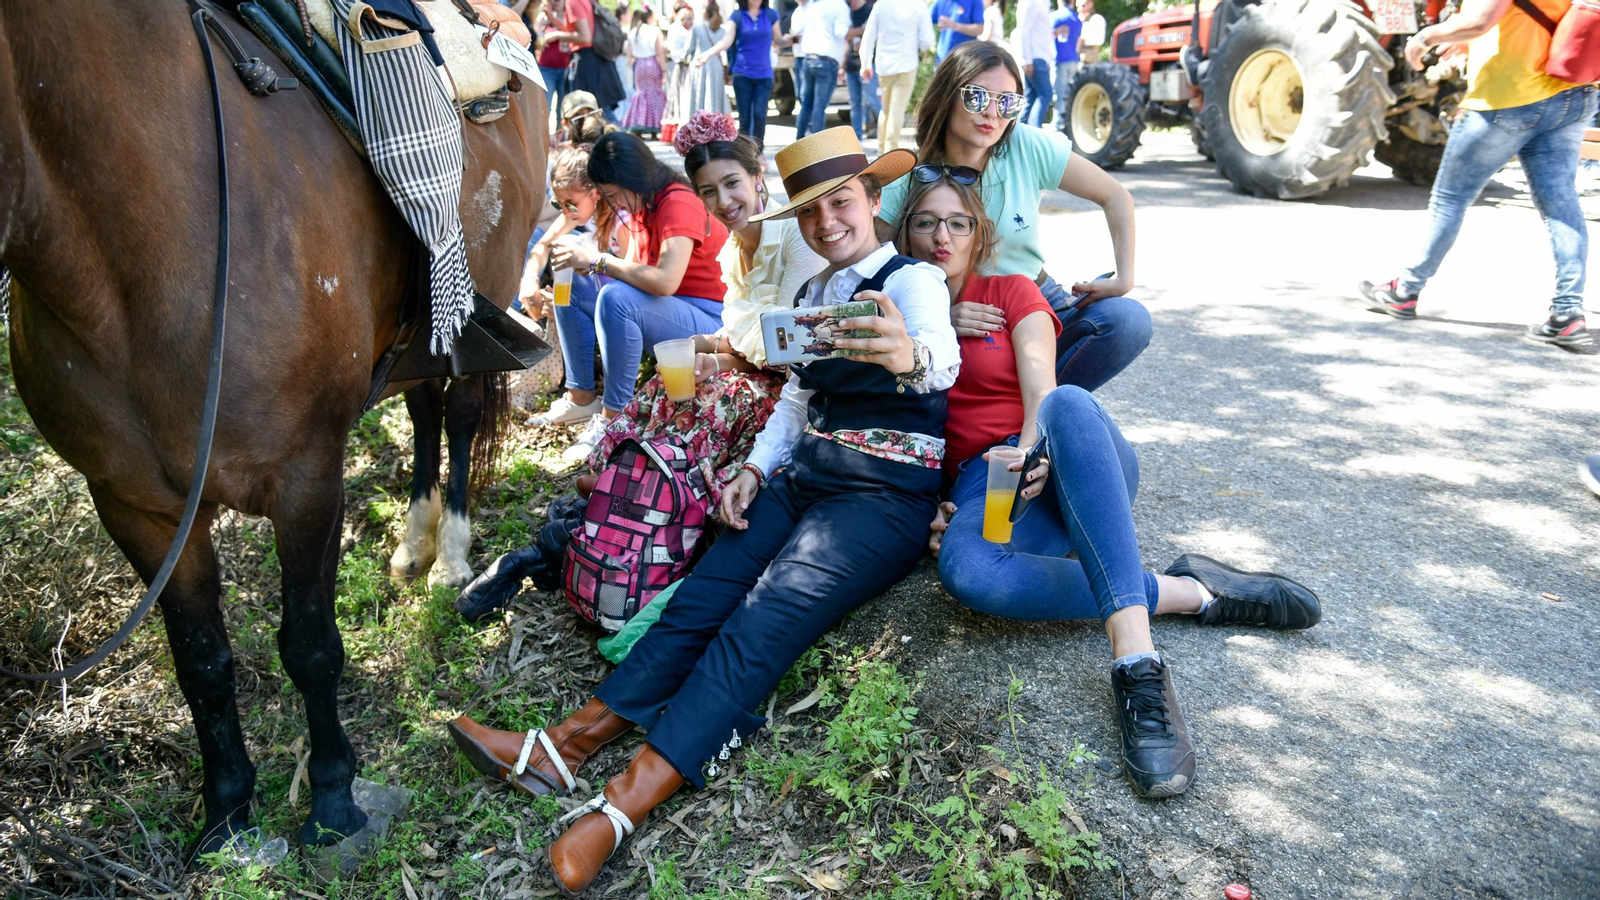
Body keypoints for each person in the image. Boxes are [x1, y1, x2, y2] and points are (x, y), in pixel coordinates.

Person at [447, 127, 957, 896]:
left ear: (873, 197)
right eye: (811, 212)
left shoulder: (912, 282)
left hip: (883, 493)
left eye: (841, 204)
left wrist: (907, 354)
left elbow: (942, 360)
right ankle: (565, 745)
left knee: (763, 621)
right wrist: (753, 469)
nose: (826, 224)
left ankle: (622, 807)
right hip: (807, 475)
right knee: (705, 595)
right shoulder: (812, 296)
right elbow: (798, 399)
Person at [900, 171, 1321, 798]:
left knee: (1068, 402)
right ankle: (1190, 591)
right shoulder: (902, 319)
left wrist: (1032, 449)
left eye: (957, 223)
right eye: (926, 223)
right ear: (905, 235)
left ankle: (1137, 663)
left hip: (1060, 451)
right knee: (972, 574)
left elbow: (1041, 385)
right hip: (984, 483)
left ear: (978, 234)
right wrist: (936, 505)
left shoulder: (1011, 291)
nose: (942, 236)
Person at [876, 40, 1150, 390]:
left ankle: (1041, 409)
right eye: (976, 97)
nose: (992, 113)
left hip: (1037, 301)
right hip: (964, 316)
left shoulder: (1025, 145)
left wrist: (1124, 278)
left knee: (1127, 321)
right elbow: (871, 277)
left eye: (1007, 102)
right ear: (947, 96)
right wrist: (937, 316)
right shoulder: (909, 177)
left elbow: (1115, 196)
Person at [585, 112, 829, 507]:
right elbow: (747, 338)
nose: (724, 202)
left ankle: (659, 491)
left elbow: (786, 349)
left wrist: (718, 355)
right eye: (709, 191)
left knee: (720, 395)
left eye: (732, 183)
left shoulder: (792, 235)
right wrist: (710, 353)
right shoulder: (733, 249)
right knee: (669, 382)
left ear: (757, 175)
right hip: (758, 369)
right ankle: (619, 473)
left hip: (799, 389)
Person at [1359, 0, 1597, 348]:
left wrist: (1425, 38)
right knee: (1561, 204)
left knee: (1450, 199)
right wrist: (1469, 40)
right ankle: (1567, 314)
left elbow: (1480, 20)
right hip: (1571, 94)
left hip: (1509, 98)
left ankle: (1404, 291)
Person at [546, 133, 732, 459]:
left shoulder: (676, 201)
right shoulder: (643, 205)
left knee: (616, 298)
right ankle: (581, 397)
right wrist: (586, 268)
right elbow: (633, 273)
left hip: (711, 321)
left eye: (613, 194)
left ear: (631, 180)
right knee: (575, 284)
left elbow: (665, 282)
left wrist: (598, 261)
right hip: (675, 311)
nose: (614, 203)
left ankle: (614, 419)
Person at [859, 0, 936, 152]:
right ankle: (890, 150)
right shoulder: (918, 5)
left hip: (884, 64)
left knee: (886, 109)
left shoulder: (881, 4)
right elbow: (927, 41)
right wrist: (916, 46)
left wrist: (865, 63)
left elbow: (868, 36)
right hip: (907, 64)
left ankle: (882, 150)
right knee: (897, 110)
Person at [717, 0, 784, 145]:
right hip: (742, 74)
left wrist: (793, 39)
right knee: (745, 118)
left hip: (764, 74)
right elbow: (727, 40)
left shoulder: (770, 14)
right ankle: (744, 151)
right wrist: (708, 54)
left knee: (760, 115)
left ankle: (758, 150)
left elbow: (778, 39)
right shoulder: (737, 16)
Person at [546, 0, 627, 120]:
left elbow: (585, 37)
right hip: (597, 59)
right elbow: (575, 31)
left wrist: (557, 35)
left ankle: (620, 134)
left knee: (596, 115)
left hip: (588, 63)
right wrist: (553, 19)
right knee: (599, 115)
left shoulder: (573, 2)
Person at [790, 0, 850, 139]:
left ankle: (799, 139)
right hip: (826, 61)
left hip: (809, 59)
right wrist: (861, 29)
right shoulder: (840, 6)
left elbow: (797, 30)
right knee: (819, 106)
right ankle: (816, 144)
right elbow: (841, 33)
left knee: (806, 104)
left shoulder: (813, 6)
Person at [623, 6, 670, 135]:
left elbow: (629, 52)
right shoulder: (655, 30)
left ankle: (639, 123)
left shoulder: (634, 31)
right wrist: (664, 70)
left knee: (641, 93)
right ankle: (654, 126)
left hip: (639, 64)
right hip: (652, 63)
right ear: (649, 17)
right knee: (654, 93)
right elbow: (659, 52)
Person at [687, 0, 733, 115]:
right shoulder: (722, 31)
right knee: (715, 95)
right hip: (717, 65)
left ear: (705, 13)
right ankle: (715, 118)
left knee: (699, 96)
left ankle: (698, 119)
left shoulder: (697, 29)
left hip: (700, 64)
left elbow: (689, 49)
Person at [844, 0, 882, 140]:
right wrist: (842, 66)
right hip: (851, 63)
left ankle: (884, 131)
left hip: (868, 63)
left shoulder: (871, 9)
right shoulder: (847, 10)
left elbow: (879, 34)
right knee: (855, 103)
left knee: (871, 99)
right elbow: (844, 36)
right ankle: (857, 137)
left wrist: (865, 42)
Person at [1015, 0, 1055, 127]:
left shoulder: (1044, 3)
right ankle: (1033, 132)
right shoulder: (1031, 2)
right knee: (1045, 94)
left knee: (1031, 98)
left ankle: (1018, 133)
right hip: (1034, 57)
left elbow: (1043, 34)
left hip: (1040, 58)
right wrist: (1026, 60)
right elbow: (1023, 31)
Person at [534, 0, 573, 117]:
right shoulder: (543, 17)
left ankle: (560, 129)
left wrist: (553, 22)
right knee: (545, 107)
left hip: (566, 69)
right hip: (546, 69)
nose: (556, 1)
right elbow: (535, 34)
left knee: (564, 110)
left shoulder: (569, 16)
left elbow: (571, 33)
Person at [662, 2, 695, 133]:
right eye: (684, 19)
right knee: (678, 97)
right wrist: (684, 57)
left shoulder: (694, 29)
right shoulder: (675, 29)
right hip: (680, 67)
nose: (687, 22)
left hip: (691, 69)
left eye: (690, 19)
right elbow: (672, 49)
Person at [1052, 0, 1082, 125]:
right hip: (1073, 59)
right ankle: (1068, 121)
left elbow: (1045, 36)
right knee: (1069, 93)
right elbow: (1078, 41)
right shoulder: (1077, 19)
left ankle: (1058, 122)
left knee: (1059, 92)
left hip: (1059, 59)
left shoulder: (1055, 16)